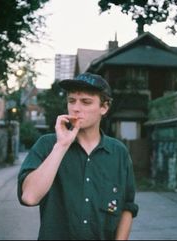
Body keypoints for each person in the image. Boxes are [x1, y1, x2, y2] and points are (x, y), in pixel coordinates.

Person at [17, 72, 139, 240]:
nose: (76, 108)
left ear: (104, 107)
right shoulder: (47, 145)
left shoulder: (119, 152)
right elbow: (29, 197)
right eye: (71, 101)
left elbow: (127, 206)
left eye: (86, 102)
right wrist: (61, 145)